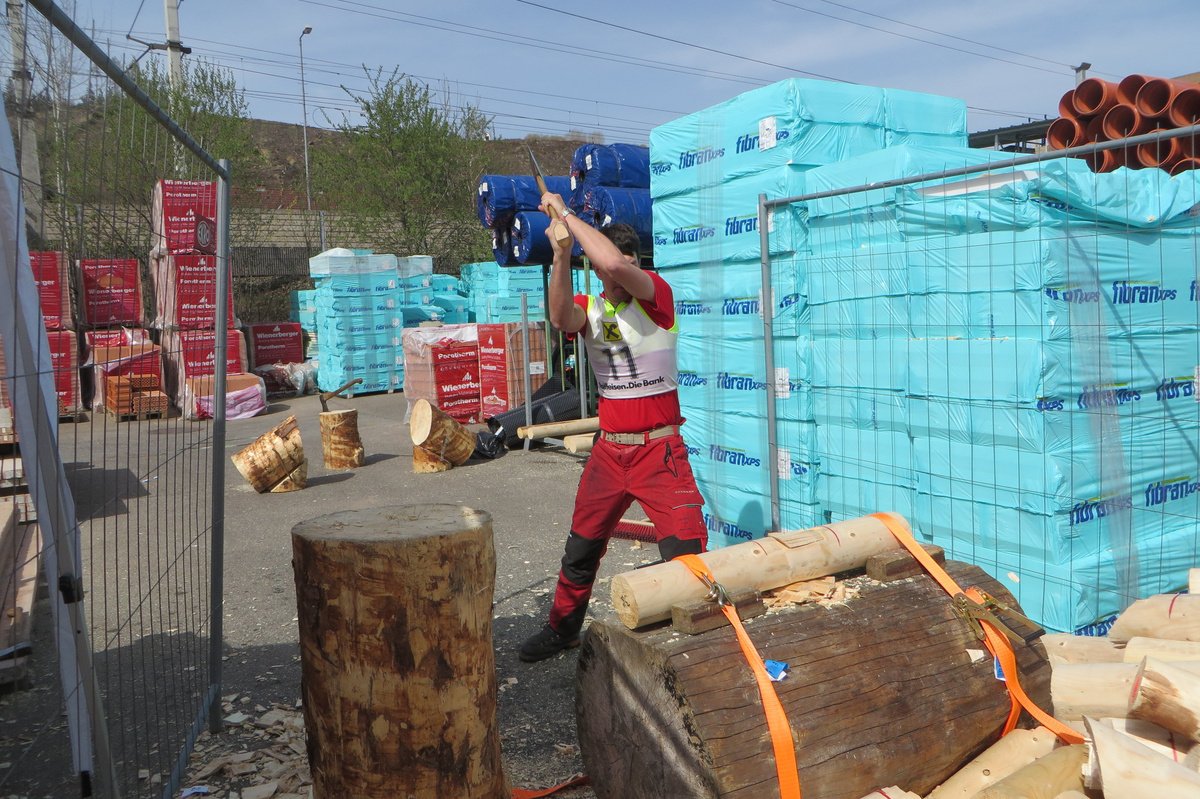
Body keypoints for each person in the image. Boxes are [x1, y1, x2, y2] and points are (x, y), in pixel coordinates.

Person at [519, 192, 708, 663]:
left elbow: (613, 263)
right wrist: (561, 254)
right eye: (611, 265)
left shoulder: (657, 297)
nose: (617, 271)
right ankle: (563, 629)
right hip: (608, 452)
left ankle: (701, 643)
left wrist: (566, 214)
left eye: (626, 262)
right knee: (581, 549)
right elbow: (560, 316)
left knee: (686, 555)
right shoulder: (592, 308)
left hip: (659, 452)